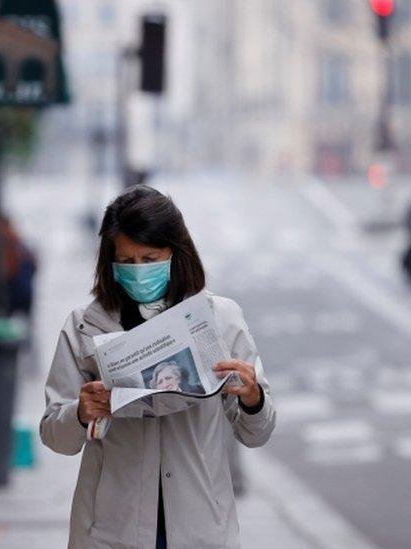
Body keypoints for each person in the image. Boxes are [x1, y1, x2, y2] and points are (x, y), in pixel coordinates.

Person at [39, 185, 276, 548]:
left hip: (200, 528)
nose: (138, 271)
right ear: (110, 262)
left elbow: (255, 433)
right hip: (111, 529)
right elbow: (55, 436)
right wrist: (79, 413)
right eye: (127, 262)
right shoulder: (84, 327)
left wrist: (253, 398)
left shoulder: (221, 319)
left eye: (149, 260)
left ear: (175, 254)